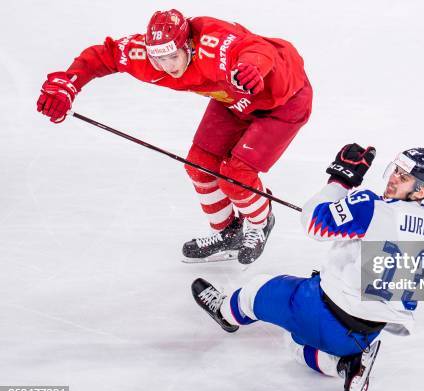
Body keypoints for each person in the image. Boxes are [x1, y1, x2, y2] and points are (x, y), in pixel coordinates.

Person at [36, 9, 312, 264]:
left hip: (281, 101)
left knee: (236, 175)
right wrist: (68, 84)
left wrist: (253, 67)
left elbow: (256, 48)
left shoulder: (212, 48)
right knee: (199, 164)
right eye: (159, 58)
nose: (167, 67)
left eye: (172, 57)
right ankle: (229, 232)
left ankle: (260, 221)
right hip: (231, 97)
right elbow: (103, 56)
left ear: (189, 46)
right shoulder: (147, 56)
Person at [190, 143, 424, 391]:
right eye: (395, 170)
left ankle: (225, 312)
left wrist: (340, 181)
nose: (394, 178)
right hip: (368, 333)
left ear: (421, 191)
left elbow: (314, 223)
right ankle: (345, 365)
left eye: (404, 177)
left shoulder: (371, 206)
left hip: (321, 309)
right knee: (297, 346)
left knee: (258, 289)